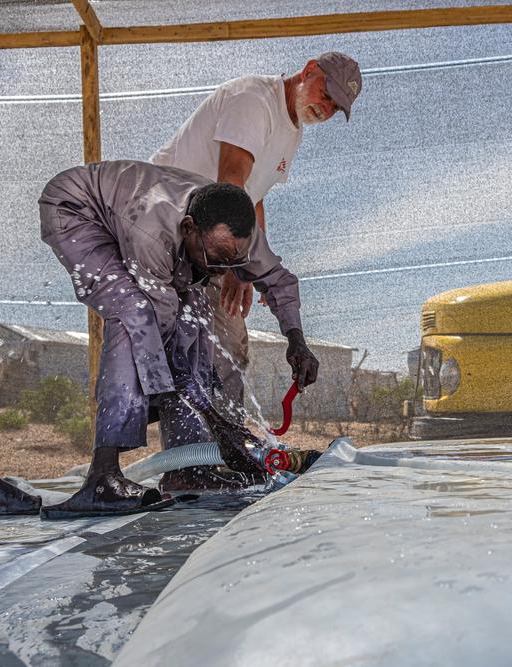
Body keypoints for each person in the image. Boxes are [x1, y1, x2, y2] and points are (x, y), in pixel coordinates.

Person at [36, 160, 319, 518]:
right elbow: (155, 333)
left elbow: (278, 280)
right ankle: (102, 476)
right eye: (214, 260)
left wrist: (297, 340)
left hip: (139, 217)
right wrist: (213, 418)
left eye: (230, 263)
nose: (220, 271)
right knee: (133, 313)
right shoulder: (152, 233)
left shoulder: (236, 236)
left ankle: (188, 471)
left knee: (197, 317)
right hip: (77, 210)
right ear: (189, 228)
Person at [150, 51, 362, 411]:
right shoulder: (254, 100)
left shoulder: (292, 132)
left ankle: (220, 449)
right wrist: (238, 264)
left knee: (229, 345)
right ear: (309, 71)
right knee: (189, 346)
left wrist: (252, 268)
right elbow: (231, 181)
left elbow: (254, 197)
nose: (325, 110)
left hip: (209, 236)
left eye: (335, 108)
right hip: (163, 226)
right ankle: (186, 457)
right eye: (325, 95)